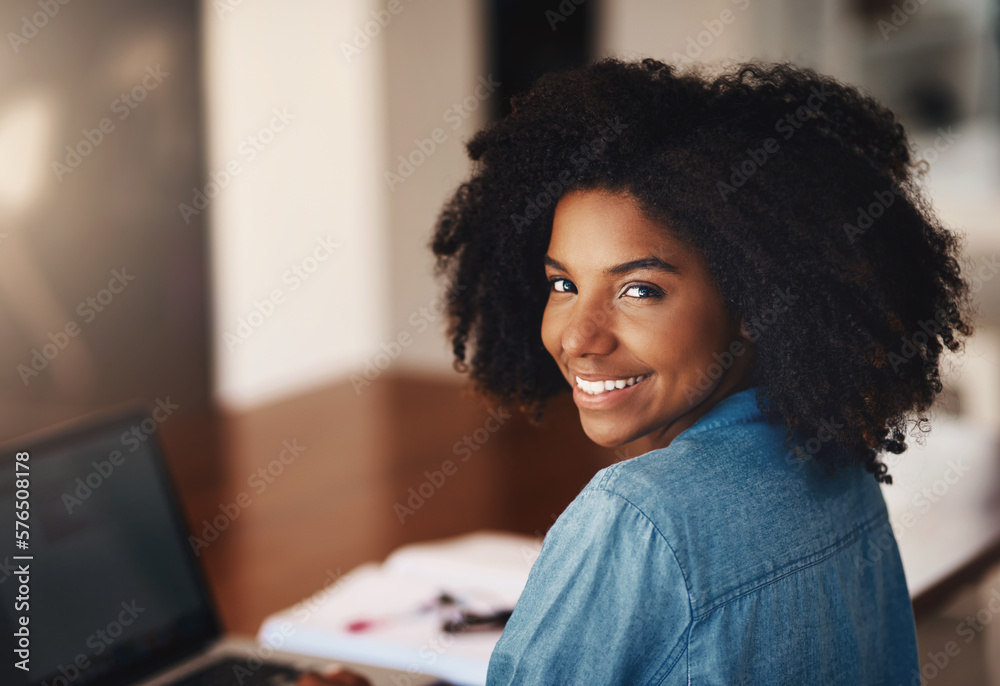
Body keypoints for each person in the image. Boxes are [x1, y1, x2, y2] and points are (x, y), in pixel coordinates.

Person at [303, 57, 975, 685]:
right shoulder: (836, 461)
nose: (579, 336)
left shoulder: (639, 519)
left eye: (639, 291)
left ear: (753, 301)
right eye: (563, 285)